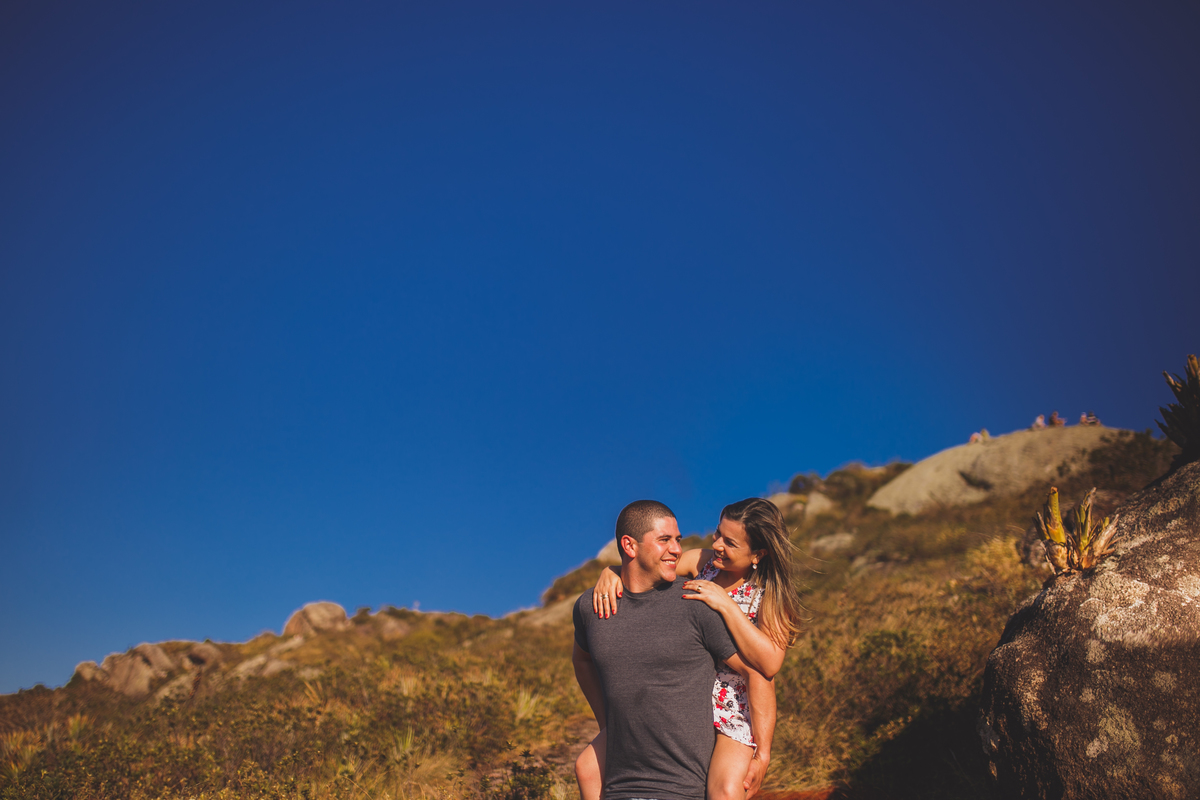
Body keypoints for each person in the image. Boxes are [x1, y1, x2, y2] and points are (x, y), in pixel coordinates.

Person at [582, 498, 802, 800]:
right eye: (718, 534)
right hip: (686, 689)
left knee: (724, 791)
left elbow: (768, 666)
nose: (718, 545)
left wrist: (726, 605)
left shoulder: (769, 598)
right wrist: (612, 570)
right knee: (587, 766)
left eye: (731, 542)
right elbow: (654, 565)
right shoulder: (705, 562)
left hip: (734, 705)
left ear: (757, 554)